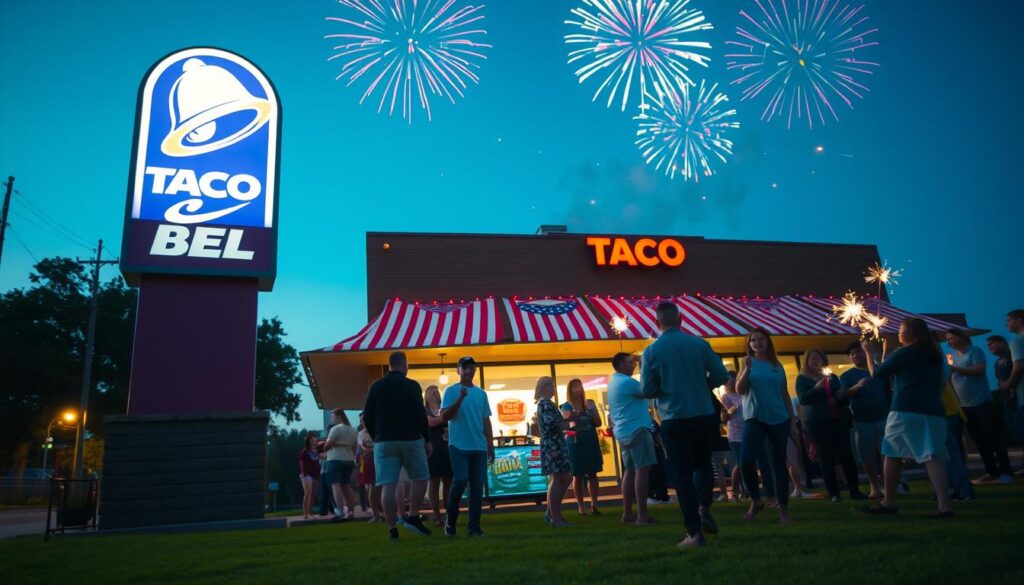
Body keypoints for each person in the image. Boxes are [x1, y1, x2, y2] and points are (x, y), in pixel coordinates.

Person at [641, 302, 729, 548]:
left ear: (657, 324)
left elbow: (647, 389)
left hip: (674, 417)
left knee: (681, 473)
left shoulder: (651, 352)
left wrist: (666, 388)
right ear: (681, 321)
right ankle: (704, 507)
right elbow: (722, 376)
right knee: (703, 463)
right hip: (703, 412)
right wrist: (701, 385)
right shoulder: (700, 345)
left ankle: (694, 532)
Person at [861, 318, 952, 518]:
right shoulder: (934, 355)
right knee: (933, 456)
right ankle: (944, 506)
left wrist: (868, 351)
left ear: (910, 333)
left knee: (891, 453)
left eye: (901, 329)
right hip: (934, 412)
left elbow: (877, 373)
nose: (898, 333)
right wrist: (886, 353)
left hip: (905, 411)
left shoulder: (905, 352)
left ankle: (889, 501)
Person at [362, 351, 433, 540]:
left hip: (384, 440)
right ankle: (413, 516)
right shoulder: (412, 386)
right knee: (420, 477)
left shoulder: (376, 386)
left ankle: (392, 529)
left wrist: (374, 434)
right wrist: (426, 439)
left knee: (388, 485)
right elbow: (420, 415)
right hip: (410, 438)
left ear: (389, 365)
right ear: (405, 365)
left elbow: (367, 414)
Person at [736, 327, 797, 524]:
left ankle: (783, 511)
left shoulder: (776, 366)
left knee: (779, 463)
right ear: (749, 344)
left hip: (779, 419)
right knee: (746, 460)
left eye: (761, 339)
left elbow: (784, 394)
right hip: (755, 418)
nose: (757, 343)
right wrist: (746, 370)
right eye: (753, 340)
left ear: (767, 342)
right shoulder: (748, 363)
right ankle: (756, 500)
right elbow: (740, 390)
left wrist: (792, 420)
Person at [797, 349, 866, 502]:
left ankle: (854, 490)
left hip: (838, 418)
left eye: (819, 358)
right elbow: (803, 399)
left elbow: (842, 398)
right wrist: (816, 389)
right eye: (812, 359)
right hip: (818, 421)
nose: (816, 362)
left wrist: (840, 396)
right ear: (806, 362)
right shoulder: (803, 379)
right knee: (826, 456)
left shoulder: (833, 377)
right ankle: (834, 492)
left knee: (846, 455)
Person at [945, 328, 1013, 484]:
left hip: (981, 402)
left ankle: (1006, 472)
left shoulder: (974, 351)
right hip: (964, 405)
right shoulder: (954, 357)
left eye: (951, 338)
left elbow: (980, 370)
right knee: (979, 439)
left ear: (961, 337)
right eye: (948, 339)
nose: (949, 341)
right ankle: (991, 471)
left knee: (994, 438)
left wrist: (955, 369)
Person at [442, 356, 494, 538]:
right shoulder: (451, 391)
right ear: (458, 370)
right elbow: (445, 417)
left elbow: (486, 420)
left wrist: (490, 444)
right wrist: (459, 399)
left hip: (478, 446)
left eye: (472, 367)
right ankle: (451, 520)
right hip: (458, 445)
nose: (469, 371)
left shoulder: (481, 394)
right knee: (461, 480)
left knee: (478, 487)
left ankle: (474, 528)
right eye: (465, 368)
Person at [607, 352, 657, 525]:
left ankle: (627, 513)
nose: (633, 364)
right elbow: (648, 390)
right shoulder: (627, 382)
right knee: (643, 470)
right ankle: (642, 515)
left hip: (623, 431)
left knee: (629, 471)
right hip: (637, 429)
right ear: (621, 365)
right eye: (630, 362)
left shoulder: (614, 382)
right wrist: (644, 365)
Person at [839, 341, 890, 499]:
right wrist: (856, 387)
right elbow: (843, 395)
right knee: (866, 455)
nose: (855, 356)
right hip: (862, 420)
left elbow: (889, 391)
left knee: (886, 454)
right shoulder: (847, 376)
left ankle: (889, 486)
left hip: (883, 418)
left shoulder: (878, 371)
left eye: (858, 352)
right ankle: (874, 486)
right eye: (852, 354)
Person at [561, 379, 604, 515]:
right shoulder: (566, 406)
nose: (577, 389)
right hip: (575, 441)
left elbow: (598, 423)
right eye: (574, 387)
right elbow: (566, 426)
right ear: (570, 390)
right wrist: (573, 417)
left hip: (590, 439)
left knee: (593, 473)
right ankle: (581, 506)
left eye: (579, 386)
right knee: (577, 474)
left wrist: (593, 413)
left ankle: (594, 504)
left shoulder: (589, 403)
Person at [535, 376, 572, 527]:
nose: (553, 389)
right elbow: (553, 425)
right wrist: (567, 420)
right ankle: (554, 516)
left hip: (555, 444)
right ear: (543, 387)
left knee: (563, 477)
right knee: (559, 478)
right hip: (553, 445)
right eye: (551, 386)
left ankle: (553, 512)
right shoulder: (545, 404)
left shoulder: (546, 404)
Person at [941, 375, 975, 501]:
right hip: (948, 411)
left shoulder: (930, 364)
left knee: (951, 454)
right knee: (951, 454)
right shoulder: (937, 362)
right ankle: (958, 487)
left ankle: (962, 488)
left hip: (945, 412)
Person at [424, 385, 454, 527]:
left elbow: (452, 423)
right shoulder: (425, 410)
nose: (435, 394)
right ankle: (436, 516)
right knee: (434, 482)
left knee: (449, 480)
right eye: (432, 391)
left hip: (446, 447)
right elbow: (431, 422)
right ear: (427, 396)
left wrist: (443, 418)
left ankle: (449, 514)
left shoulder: (444, 408)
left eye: (437, 391)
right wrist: (443, 419)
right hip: (432, 448)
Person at [323, 409, 360, 522]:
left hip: (335, 459)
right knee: (346, 485)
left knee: (336, 485)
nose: (332, 418)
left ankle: (340, 511)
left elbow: (326, 447)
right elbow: (354, 447)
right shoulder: (354, 430)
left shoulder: (335, 429)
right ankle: (351, 511)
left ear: (339, 416)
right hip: (349, 459)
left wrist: (329, 444)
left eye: (333, 416)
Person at [1001, 309, 1024, 476]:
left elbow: (1018, 367)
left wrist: (1008, 385)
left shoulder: (1017, 342)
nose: (1006, 324)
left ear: (1020, 320)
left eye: (1008, 320)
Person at [720, 372, 745, 501]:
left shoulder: (743, 394)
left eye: (734, 379)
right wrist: (734, 408)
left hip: (747, 430)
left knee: (747, 462)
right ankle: (735, 492)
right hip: (735, 433)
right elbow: (727, 413)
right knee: (740, 463)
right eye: (729, 380)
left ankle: (745, 491)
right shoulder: (725, 396)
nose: (731, 381)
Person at [988, 335, 1018, 444]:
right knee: (1015, 428)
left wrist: (1009, 385)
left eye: (991, 343)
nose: (989, 347)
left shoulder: (1013, 357)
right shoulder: (998, 362)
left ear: (1002, 342)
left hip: (1016, 397)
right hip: (1007, 399)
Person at [357, 413, 383, 523]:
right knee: (372, 486)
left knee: (381, 486)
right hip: (369, 460)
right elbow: (364, 448)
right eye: (362, 420)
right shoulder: (362, 434)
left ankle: (383, 512)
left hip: (379, 459)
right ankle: (376, 514)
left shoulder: (378, 430)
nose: (364, 422)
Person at [298, 432, 322, 520]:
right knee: (307, 493)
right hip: (306, 475)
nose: (314, 440)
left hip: (315, 475)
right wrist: (304, 475)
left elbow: (320, 458)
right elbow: (302, 464)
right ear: (308, 441)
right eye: (312, 439)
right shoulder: (305, 451)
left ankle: (309, 512)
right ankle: (305, 514)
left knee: (312, 494)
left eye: (315, 439)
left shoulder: (316, 450)